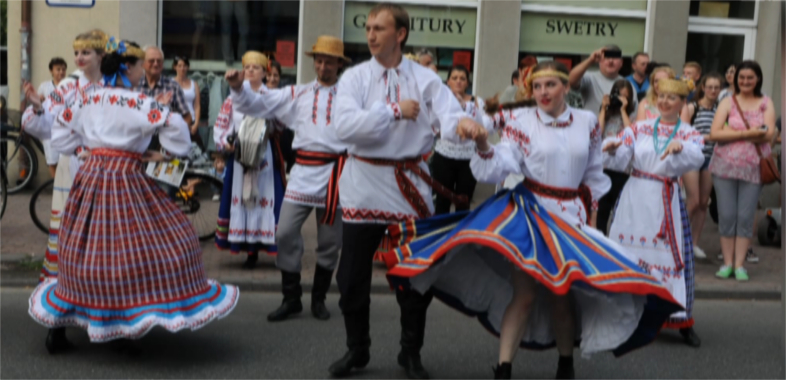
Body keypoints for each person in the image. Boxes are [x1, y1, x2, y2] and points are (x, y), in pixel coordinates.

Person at [383, 61, 682, 380]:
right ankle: (504, 369)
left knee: (561, 297)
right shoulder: (520, 121)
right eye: (537, 87)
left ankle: (565, 365)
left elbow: (595, 174)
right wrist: (484, 144)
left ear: (566, 87)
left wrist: (592, 220)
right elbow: (501, 164)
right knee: (524, 295)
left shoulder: (586, 122)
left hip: (571, 219)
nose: (543, 92)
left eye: (551, 85)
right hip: (532, 216)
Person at [28, 39, 239, 354]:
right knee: (132, 252)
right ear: (129, 67)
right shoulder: (141, 103)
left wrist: (89, 149)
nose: (145, 71)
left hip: (91, 179)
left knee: (82, 252)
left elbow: (59, 135)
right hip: (126, 181)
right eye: (141, 65)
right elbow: (180, 137)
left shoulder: (86, 98)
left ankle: (64, 325)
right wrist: (157, 151)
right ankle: (124, 323)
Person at [326, 4, 471, 378]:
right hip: (363, 185)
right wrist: (392, 111)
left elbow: (449, 117)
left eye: (379, 28)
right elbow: (344, 127)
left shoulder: (425, 79)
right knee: (351, 278)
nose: (370, 34)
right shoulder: (355, 77)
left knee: (415, 277)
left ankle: (410, 352)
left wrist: (463, 127)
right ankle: (357, 349)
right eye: (368, 27)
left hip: (410, 188)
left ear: (400, 34)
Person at [224, 35, 350, 323]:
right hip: (304, 173)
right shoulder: (298, 93)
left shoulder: (351, 97)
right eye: (318, 60)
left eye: (328, 61)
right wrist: (237, 87)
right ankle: (291, 298)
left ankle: (318, 298)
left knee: (330, 241)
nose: (322, 66)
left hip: (336, 175)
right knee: (284, 233)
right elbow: (257, 105)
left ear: (339, 64)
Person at [604, 78, 704, 348]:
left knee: (672, 259)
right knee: (629, 254)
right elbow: (621, 156)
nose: (665, 102)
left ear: (683, 103)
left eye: (672, 98)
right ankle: (626, 315)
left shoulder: (688, 133)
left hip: (664, 199)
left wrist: (680, 148)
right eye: (661, 97)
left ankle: (680, 321)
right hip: (635, 196)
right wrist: (613, 149)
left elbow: (697, 156)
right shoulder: (639, 128)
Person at [21, 29, 108, 283]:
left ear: (101, 55)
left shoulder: (113, 83)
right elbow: (48, 123)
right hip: (73, 165)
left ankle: (100, 288)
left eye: (86, 52)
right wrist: (38, 106)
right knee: (72, 228)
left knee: (102, 229)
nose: (79, 58)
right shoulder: (69, 85)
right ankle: (66, 285)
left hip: (106, 165)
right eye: (77, 53)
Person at [213, 51, 287, 269]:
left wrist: (274, 121)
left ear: (265, 73)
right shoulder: (233, 97)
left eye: (256, 68)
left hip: (264, 155)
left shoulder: (271, 96)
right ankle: (249, 251)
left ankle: (271, 247)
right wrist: (224, 143)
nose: (250, 71)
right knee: (243, 199)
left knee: (266, 198)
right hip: (239, 156)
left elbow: (280, 126)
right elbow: (221, 124)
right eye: (247, 67)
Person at [709, 60, 776, 281]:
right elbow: (715, 133)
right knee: (727, 215)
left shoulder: (766, 102)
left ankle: (739, 265)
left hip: (753, 168)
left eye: (750, 77)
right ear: (736, 79)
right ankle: (727, 263)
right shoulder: (727, 102)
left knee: (745, 217)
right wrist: (747, 134)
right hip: (724, 167)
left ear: (758, 79)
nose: (745, 81)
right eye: (741, 77)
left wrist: (733, 131)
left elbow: (768, 134)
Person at [431, 65, 486, 215]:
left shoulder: (476, 103)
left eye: (462, 78)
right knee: (442, 201)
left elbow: (484, 125)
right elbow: (432, 124)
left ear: (467, 83)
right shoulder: (440, 101)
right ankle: (441, 235)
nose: (458, 82)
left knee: (464, 201)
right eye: (454, 78)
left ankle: (460, 236)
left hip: (468, 158)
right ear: (448, 81)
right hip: (444, 155)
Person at [680, 73, 724, 260]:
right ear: (703, 88)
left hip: (711, 158)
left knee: (704, 203)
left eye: (716, 87)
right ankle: (679, 238)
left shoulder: (720, 109)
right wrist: (708, 137)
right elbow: (683, 132)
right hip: (692, 157)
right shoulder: (692, 107)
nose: (713, 91)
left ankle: (693, 243)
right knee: (693, 201)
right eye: (710, 87)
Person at [595, 79, 635, 234]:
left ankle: (615, 237)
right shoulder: (605, 112)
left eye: (625, 97)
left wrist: (624, 109)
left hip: (623, 166)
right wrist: (604, 108)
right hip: (604, 165)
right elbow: (597, 133)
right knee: (602, 206)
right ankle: (601, 236)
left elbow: (631, 133)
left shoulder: (631, 114)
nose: (620, 100)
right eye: (618, 96)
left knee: (619, 207)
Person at [569, 44, 638, 118]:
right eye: (607, 57)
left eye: (614, 58)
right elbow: (570, 80)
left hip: (620, 128)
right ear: (599, 61)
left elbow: (635, 113)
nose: (610, 61)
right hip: (593, 127)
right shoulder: (589, 78)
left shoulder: (627, 85)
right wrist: (590, 60)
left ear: (621, 63)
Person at [137, 46, 192, 125]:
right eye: (151, 61)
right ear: (143, 63)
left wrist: (177, 133)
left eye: (159, 61)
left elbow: (187, 117)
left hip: (166, 135)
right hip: (141, 136)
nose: (156, 64)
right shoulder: (135, 86)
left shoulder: (173, 86)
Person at [36, 57, 68, 178]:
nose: (61, 72)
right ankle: (56, 186)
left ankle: (65, 185)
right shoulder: (45, 86)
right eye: (58, 69)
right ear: (51, 71)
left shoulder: (70, 85)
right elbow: (38, 104)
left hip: (65, 126)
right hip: (49, 127)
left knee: (65, 158)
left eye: (63, 69)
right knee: (52, 159)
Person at [268, 60, 296, 173]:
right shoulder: (257, 94)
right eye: (269, 75)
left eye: (276, 75)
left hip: (281, 143)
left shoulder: (284, 95)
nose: (272, 79)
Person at [173, 56, 203, 149]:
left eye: (185, 65)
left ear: (188, 67)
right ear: (175, 67)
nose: (182, 68)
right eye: (179, 65)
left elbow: (197, 105)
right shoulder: (170, 83)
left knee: (193, 150)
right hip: (175, 122)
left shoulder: (194, 84)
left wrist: (196, 123)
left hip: (191, 122)